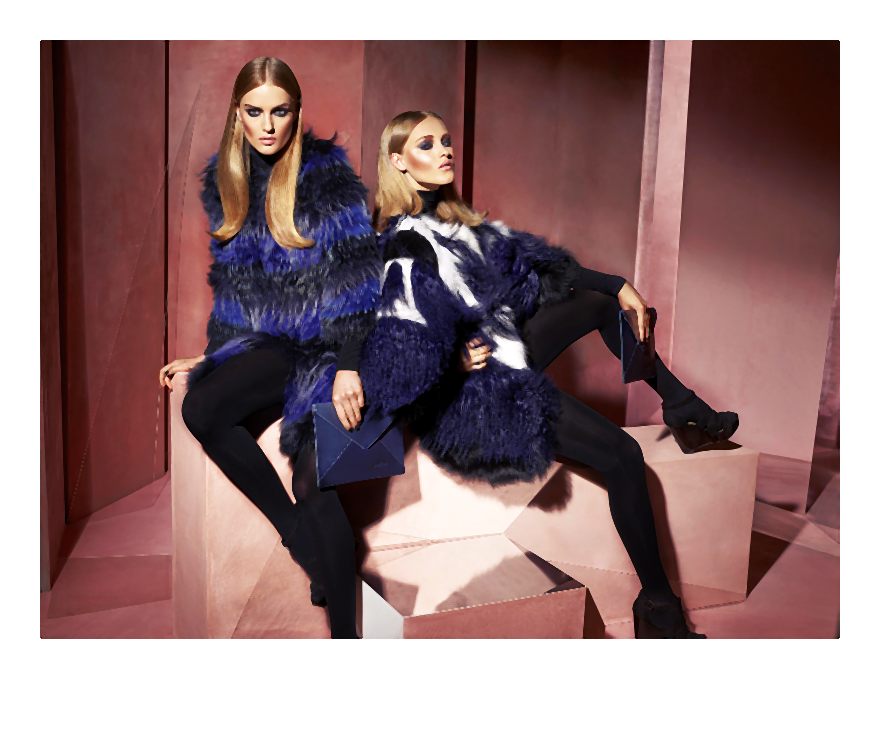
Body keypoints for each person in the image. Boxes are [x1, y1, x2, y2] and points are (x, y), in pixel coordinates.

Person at [359, 110, 739, 638]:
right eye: (427, 144)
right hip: (476, 393)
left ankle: (680, 406)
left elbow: (531, 267)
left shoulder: (453, 222)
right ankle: (658, 606)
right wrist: (449, 359)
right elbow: (392, 346)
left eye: (445, 140)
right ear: (398, 162)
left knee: (597, 302)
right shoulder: (404, 242)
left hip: (499, 349)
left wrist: (616, 284)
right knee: (624, 457)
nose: (445, 149)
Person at [158, 57, 380, 639]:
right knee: (201, 407)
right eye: (255, 112)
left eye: (279, 112)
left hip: (327, 343)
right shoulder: (225, 182)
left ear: (296, 113)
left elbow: (357, 277)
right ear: (238, 114)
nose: (267, 125)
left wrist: (349, 366)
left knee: (314, 480)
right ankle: (298, 536)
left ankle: (347, 638)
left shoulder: (326, 177)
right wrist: (214, 357)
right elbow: (236, 290)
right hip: (273, 342)